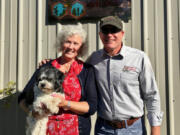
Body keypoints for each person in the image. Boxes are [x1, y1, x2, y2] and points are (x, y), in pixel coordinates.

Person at [86, 16, 163, 135]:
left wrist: (155, 130)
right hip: (103, 129)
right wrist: (51, 64)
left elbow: (151, 95)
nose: (109, 35)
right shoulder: (93, 59)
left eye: (114, 30)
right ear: (100, 35)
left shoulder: (139, 58)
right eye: (105, 31)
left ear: (122, 33)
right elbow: (75, 75)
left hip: (133, 129)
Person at [18, 23, 97, 135]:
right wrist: (32, 112)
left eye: (76, 43)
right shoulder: (46, 67)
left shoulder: (87, 70)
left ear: (81, 47)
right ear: (61, 44)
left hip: (77, 130)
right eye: (68, 42)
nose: (71, 47)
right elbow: (22, 98)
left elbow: (91, 107)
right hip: (46, 130)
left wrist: (65, 104)